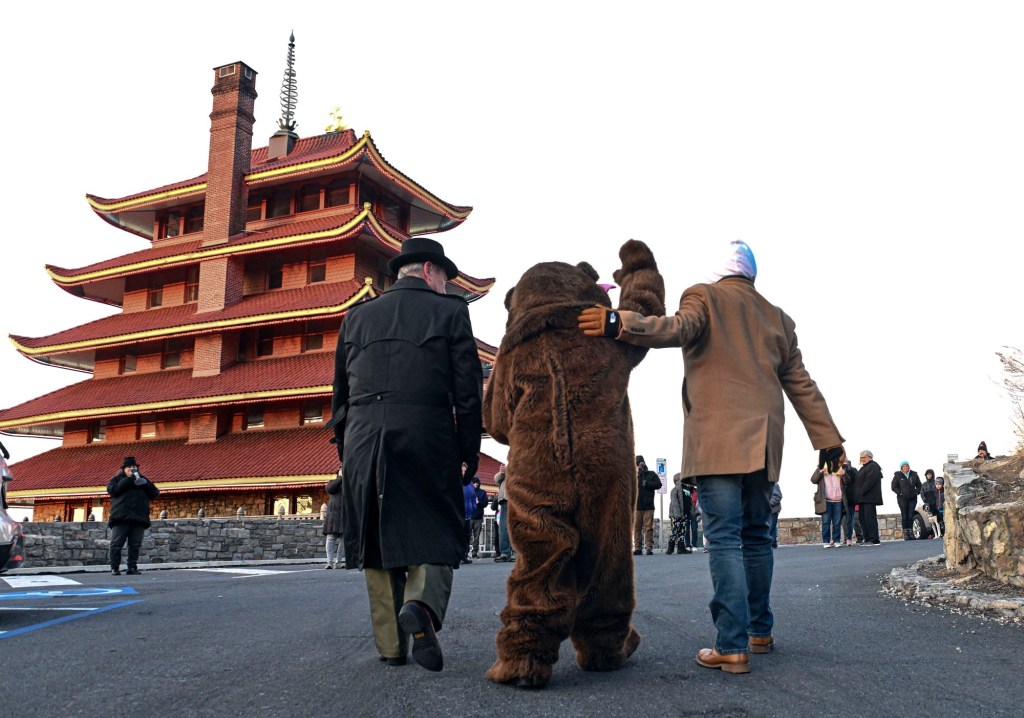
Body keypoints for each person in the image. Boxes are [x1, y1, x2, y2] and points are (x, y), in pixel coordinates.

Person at [579, 239, 843, 674]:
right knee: (758, 538)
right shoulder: (778, 317)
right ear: (751, 276)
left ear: (721, 273)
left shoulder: (704, 295)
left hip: (718, 442)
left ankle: (731, 645)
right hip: (764, 444)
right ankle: (759, 631)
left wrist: (618, 322)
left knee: (723, 540)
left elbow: (676, 328)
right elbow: (800, 383)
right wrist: (827, 439)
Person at [330, 236, 482, 672]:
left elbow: (339, 394)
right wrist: (467, 450)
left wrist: (347, 451)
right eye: (446, 279)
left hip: (362, 436)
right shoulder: (451, 312)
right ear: (431, 271)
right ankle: (421, 606)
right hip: (426, 431)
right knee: (437, 524)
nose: (447, 287)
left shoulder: (355, 317)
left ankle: (392, 647)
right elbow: (468, 392)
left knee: (376, 538)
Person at [106, 456, 160, 576]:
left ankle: (132, 567)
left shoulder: (143, 479)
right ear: (124, 469)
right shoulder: (116, 479)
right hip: (120, 518)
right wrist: (129, 480)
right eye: (129, 467)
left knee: (135, 544)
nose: (132, 469)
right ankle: (115, 567)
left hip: (139, 518)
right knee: (116, 543)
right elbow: (112, 490)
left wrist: (145, 483)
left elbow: (155, 493)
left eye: (134, 467)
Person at [811, 459, 847, 548]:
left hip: (838, 500)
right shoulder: (822, 467)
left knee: (837, 522)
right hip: (826, 500)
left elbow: (847, 481)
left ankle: (837, 540)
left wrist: (844, 474)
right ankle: (826, 541)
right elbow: (813, 480)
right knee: (826, 522)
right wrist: (821, 471)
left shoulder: (839, 468)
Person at [852, 450, 883, 545]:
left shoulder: (873, 466)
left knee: (870, 518)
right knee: (863, 519)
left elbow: (870, 481)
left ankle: (874, 539)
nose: (862, 459)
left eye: (864, 457)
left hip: (869, 497)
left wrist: (861, 491)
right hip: (862, 498)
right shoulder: (863, 468)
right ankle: (868, 538)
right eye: (861, 457)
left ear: (870, 457)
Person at [634, 456, 662, 555]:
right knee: (636, 528)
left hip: (648, 506)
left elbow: (659, 484)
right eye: (637, 464)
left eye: (640, 463)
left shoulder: (651, 474)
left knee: (648, 528)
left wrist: (647, 483)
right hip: (636, 506)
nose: (638, 466)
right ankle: (638, 548)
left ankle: (649, 548)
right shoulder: (634, 475)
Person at [891, 461, 922, 540]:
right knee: (904, 516)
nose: (906, 468)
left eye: (907, 466)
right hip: (902, 499)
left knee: (911, 515)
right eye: (904, 466)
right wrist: (900, 492)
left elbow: (919, 485)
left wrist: (916, 492)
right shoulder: (897, 475)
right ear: (901, 467)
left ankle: (911, 532)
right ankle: (906, 533)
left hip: (912, 498)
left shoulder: (914, 474)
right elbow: (893, 486)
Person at [323, 468, 344, 569]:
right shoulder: (332, 483)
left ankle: (338, 561)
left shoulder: (350, 483)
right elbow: (330, 489)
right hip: (333, 514)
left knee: (344, 540)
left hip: (346, 514)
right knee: (331, 538)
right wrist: (340, 477)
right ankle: (329, 562)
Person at [667, 474, 693, 555]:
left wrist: (690, 512)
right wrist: (677, 514)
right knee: (675, 531)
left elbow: (689, 501)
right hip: (676, 514)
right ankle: (670, 548)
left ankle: (681, 548)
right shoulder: (675, 490)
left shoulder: (686, 489)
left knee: (682, 531)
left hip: (684, 514)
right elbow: (674, 502)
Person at [469, 477, 488, 559]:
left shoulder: (483, 492)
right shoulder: (468, 492)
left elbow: (486, 503)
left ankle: (474, 553)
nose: (475, 484)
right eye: (474, 483)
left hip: (478, 518)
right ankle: (465, 553)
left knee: (476, 537)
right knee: (467, 536)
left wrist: (478, 502)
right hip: (469, 517)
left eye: (477, 483)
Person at [920, 469, 941, 539]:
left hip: (935, 504)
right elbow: (922, 493)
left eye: (930, 474)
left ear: (932, 475)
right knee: (931, 521)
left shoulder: (935, 483)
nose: (929, 476)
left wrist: (937, 500)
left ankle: (940, 533)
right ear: (926, 475)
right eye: (928, 474)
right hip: (928, 504)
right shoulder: (924, 484)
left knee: (937, 519)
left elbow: (938, 492)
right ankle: (933, 533)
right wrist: (925, 501)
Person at [461, 479, 477, 564]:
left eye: (465, 470)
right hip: (459, 513)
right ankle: (458, 555)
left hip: (468, 514)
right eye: (462, 470)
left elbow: (474, 496)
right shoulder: (456, 480)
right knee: (459, 535)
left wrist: (473, 506)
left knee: (467, 535)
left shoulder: (470, 483)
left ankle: (464, 555)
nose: (463, 473)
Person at [768, 483, 782, 549]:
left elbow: (778, 496)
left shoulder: (773, 483)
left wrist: (768, 504)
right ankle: (773, 544)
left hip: (773, 510)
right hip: (766, 510)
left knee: (771, 527)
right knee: (771, 527)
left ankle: (772, 543)